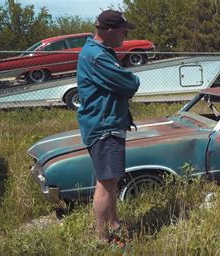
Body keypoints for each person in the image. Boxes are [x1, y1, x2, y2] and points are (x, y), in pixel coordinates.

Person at [77, 10, 140, 243]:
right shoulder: (97, 56)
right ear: (111, 31)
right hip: (104, 126)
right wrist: (132, 79)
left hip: (107, 123)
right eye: (124, 30)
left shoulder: (101, 52)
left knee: (110, 178)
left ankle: (113, 223)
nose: (126, 34)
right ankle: (104, 238)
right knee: (104, 183)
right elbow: (128, 83)